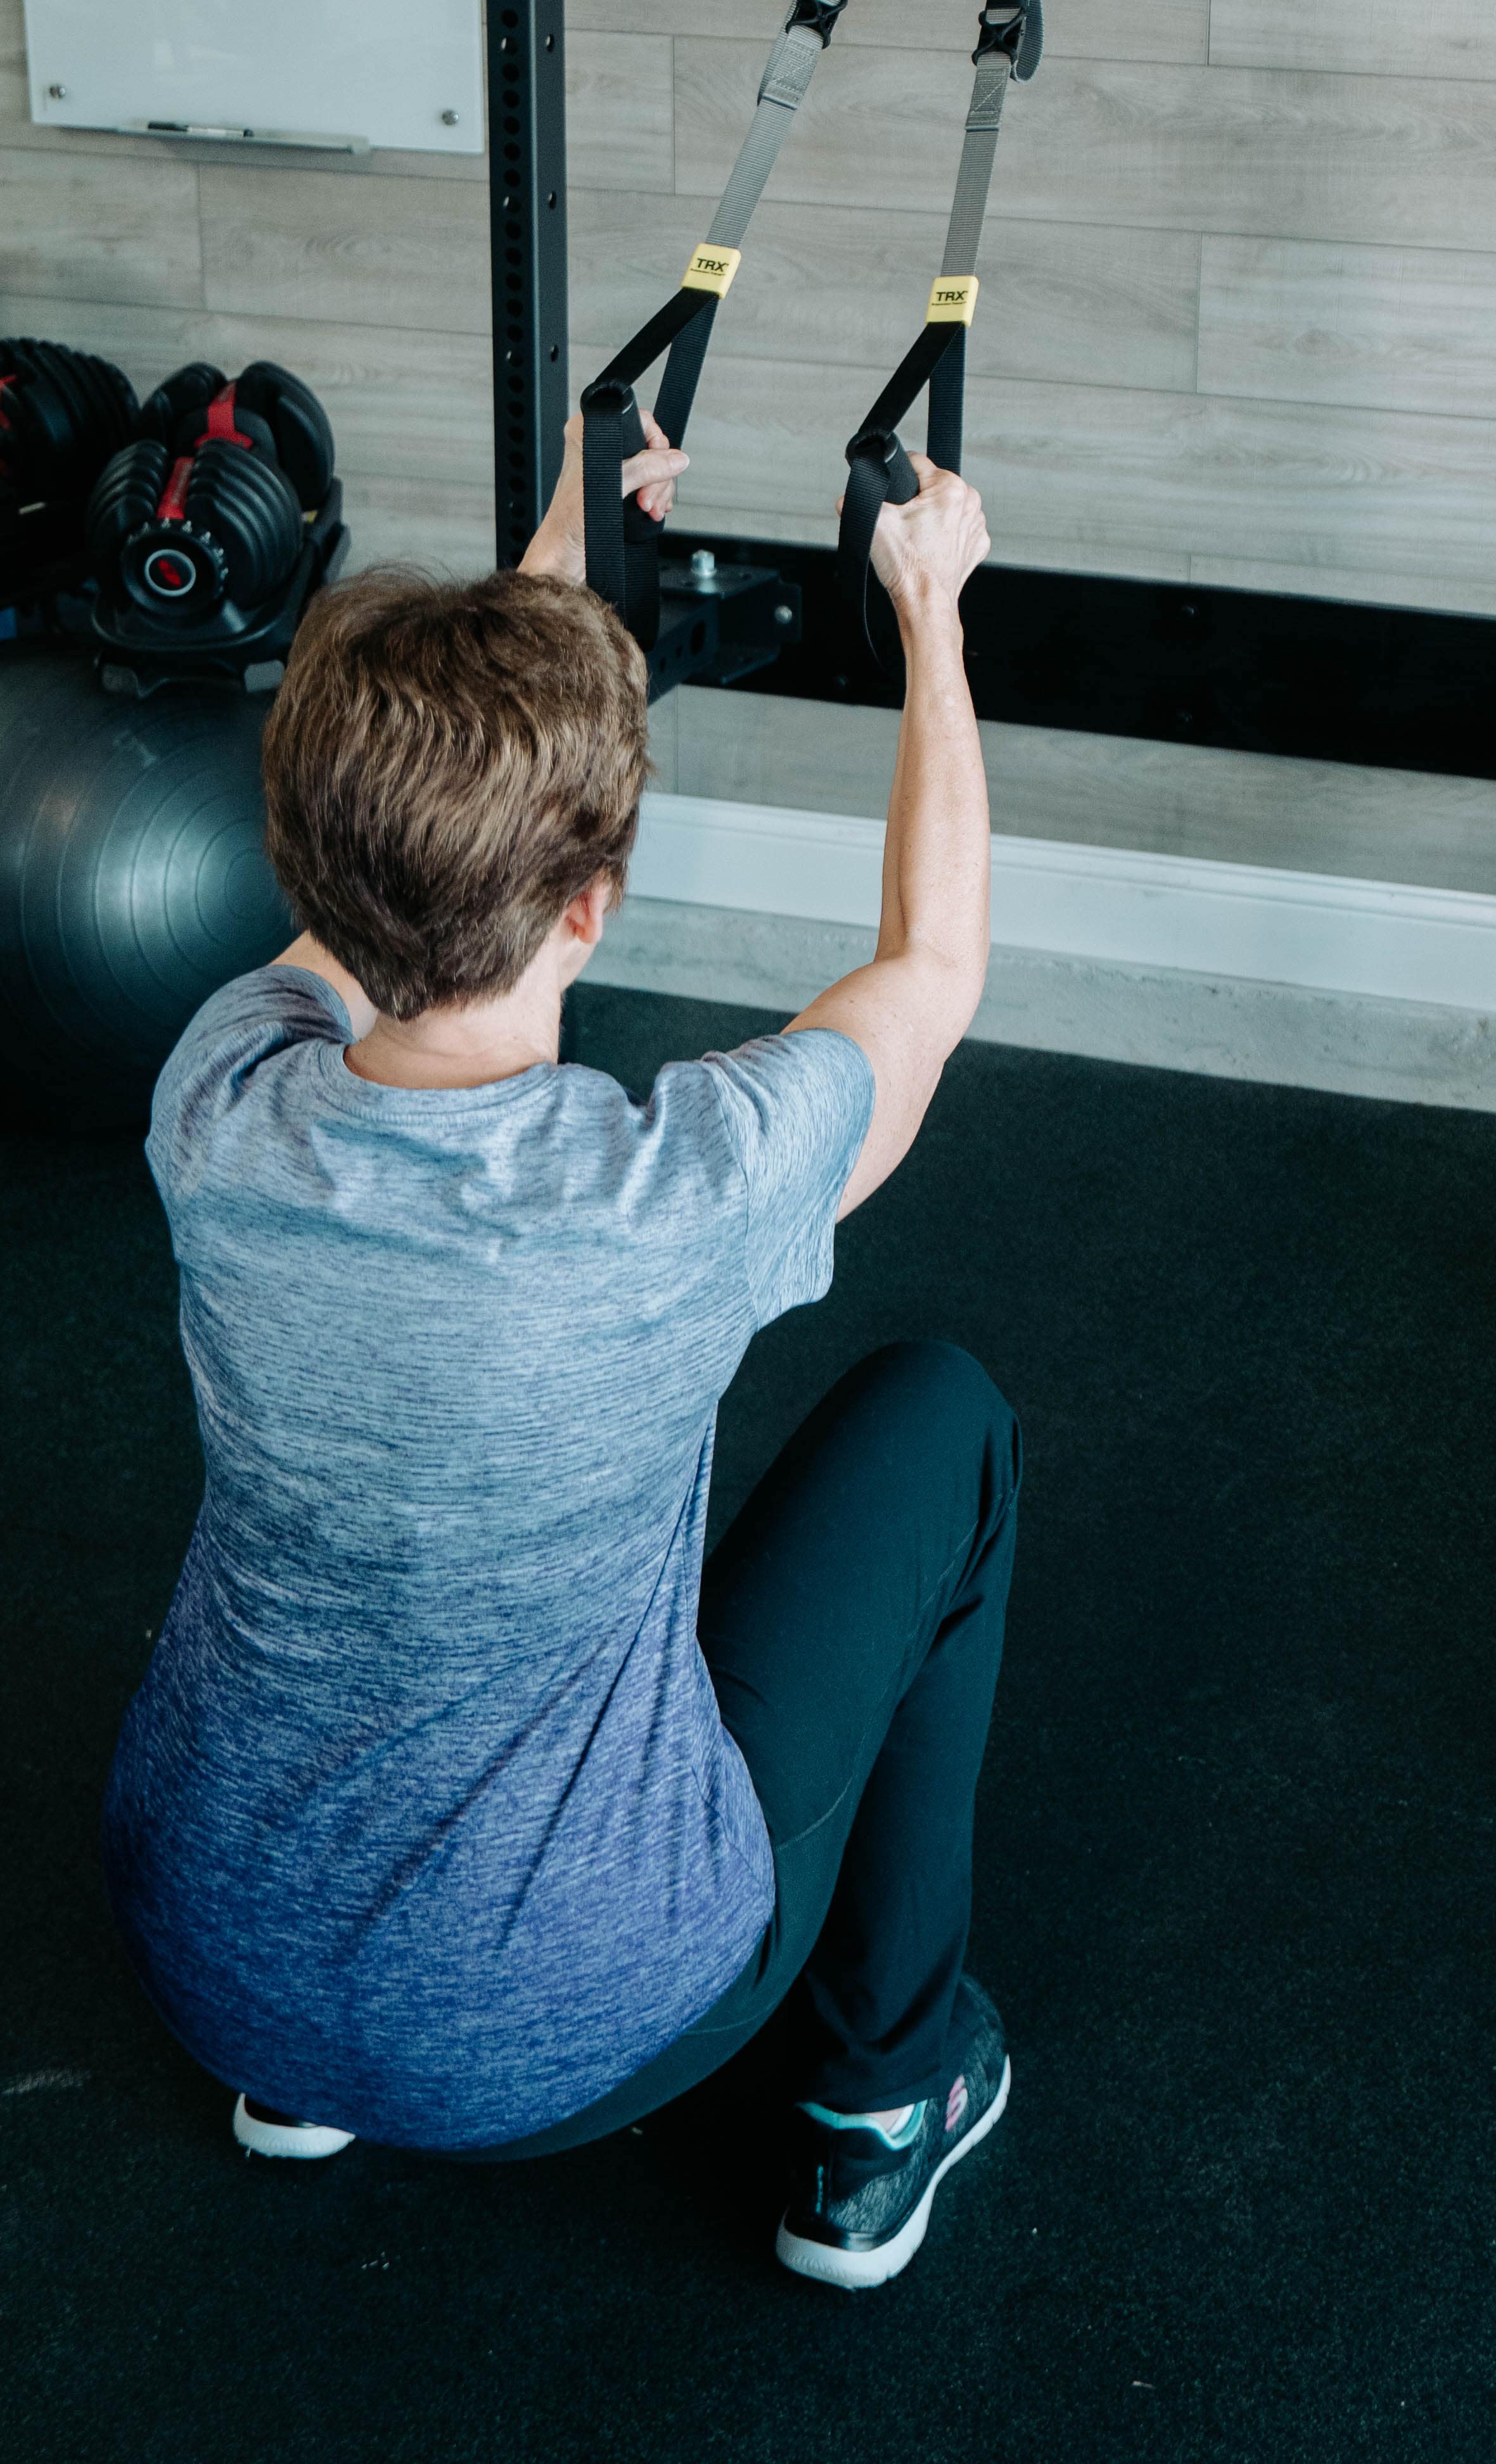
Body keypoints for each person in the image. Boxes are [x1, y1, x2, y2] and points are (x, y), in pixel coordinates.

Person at [101, 409, 1016, 2293]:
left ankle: (310, 2079)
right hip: (590, 2027)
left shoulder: (218, 1097)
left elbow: (387, 866)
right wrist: (932, 616)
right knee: (946, 1429)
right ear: (590, 907)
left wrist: (549, 584)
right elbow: (930, 974)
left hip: (209, 1958)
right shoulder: (668, 1192)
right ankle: (876, 2105)